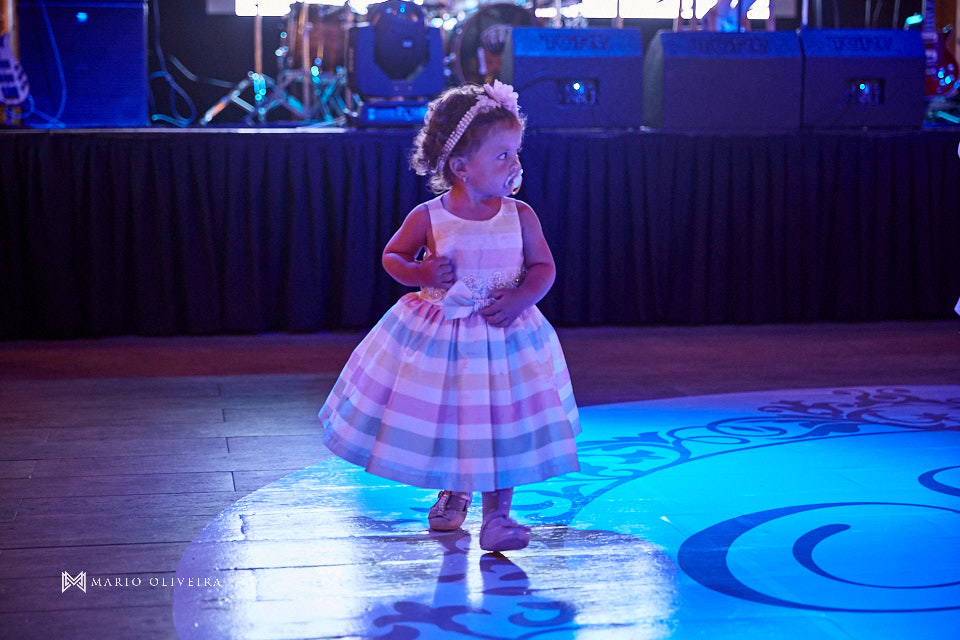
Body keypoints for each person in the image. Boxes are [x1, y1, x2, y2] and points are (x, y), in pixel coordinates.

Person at [318, 80, 580, 552]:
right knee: (456, 419)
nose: (515, 164)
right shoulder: (430, 215)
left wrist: (523, 296)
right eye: (502, 155)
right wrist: (420, 269)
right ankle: (454, 491)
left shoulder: (520, 214)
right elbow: (392, 256)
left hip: (505, 336)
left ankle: (497, 516)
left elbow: (543, 266)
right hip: (447, 334)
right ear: (460, 167)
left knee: (502, 425)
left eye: (516, 153)